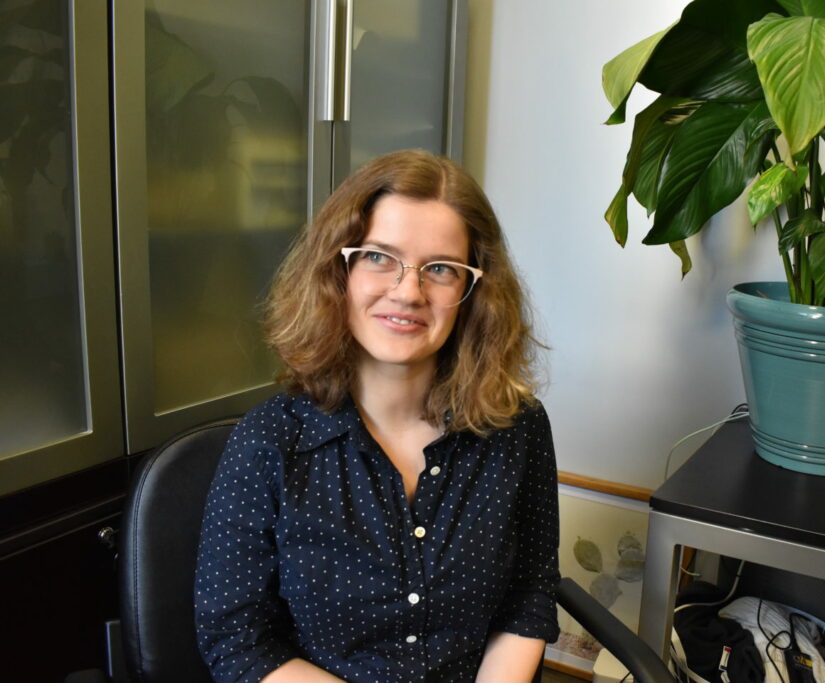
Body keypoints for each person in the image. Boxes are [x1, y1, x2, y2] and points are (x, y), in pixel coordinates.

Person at [194, 150, 560, 682]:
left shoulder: (517, 426)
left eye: (440, 269)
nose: (408, 292)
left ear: (473, 292)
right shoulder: (269, 441)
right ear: (337, 271)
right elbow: (237, 640)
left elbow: (529, 593)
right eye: (378, 257)